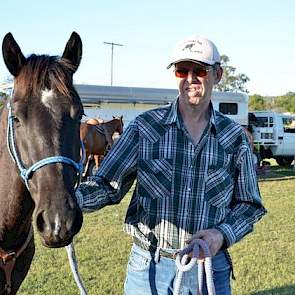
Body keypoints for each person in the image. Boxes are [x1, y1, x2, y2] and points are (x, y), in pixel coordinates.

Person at [75, 35, 267, 294]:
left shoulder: (233, 138)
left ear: (218, 74)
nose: (190, 79)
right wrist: (70, 200)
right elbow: (107, 185)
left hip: (209, 269)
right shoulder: (144, 128)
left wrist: (221, 235)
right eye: (182, 70)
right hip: (150, 269)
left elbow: (250, 205)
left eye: (199, 70)